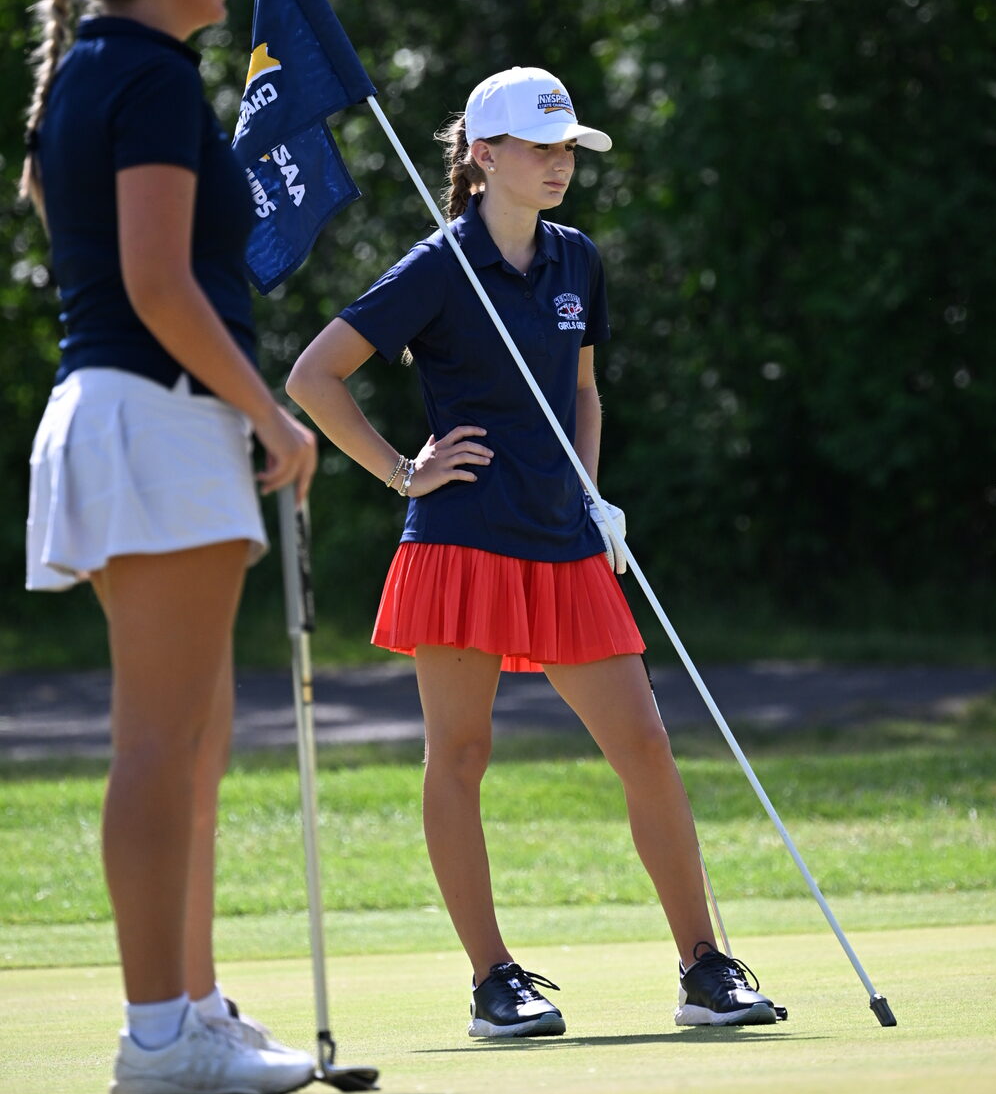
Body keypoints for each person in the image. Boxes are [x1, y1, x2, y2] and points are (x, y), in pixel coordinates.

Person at [287, 65, 784, 1038]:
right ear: (482, 156)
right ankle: (494, 980)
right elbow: (315, 374)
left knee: (643, 746)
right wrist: (400, 469)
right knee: (461, 755)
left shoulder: (575, 261)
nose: (560, 164)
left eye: (568, 148)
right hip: (463, 540)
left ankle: (703, 967)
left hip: (563, 541)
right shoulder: (437, 265)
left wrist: (589, 493)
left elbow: (583, 390)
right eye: (540, 147)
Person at [21, 0, 319, 1094]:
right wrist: (274, 415)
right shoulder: (144, 77)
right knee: (161, 741)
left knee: (197, 739)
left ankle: (193, 1006)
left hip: (137, 419)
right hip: (157, 416)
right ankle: (158, 1039)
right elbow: (155, 285)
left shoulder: (103, 72)